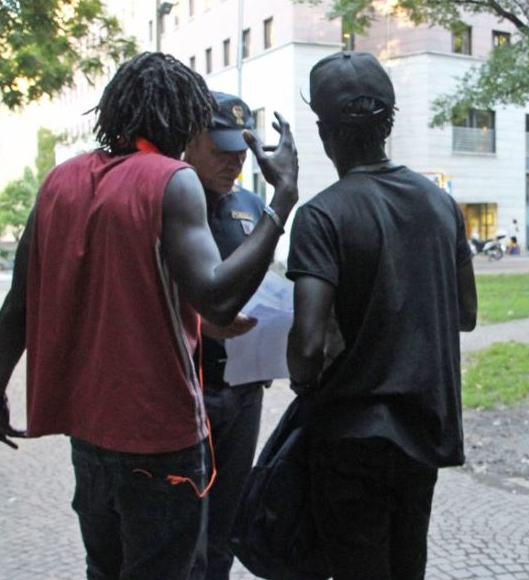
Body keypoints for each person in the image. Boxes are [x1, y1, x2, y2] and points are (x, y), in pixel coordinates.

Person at [0, 52, 298, 580]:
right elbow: (217, 298)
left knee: (104, 570)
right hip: (160, 439)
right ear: (181, 118)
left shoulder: (59, 181)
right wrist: (282, 203)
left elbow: (18, 307)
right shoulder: (172, 179)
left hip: (88, 434)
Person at [285, 51, 477, 580]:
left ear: (324, 133)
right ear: (388, 123)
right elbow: (465, 314)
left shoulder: (321, 216)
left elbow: (306, 349)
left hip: (349, 437)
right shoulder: (441, 205)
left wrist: (306, 379)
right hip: (423, 432)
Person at [183, 91, 271, 580]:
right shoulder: (170, 201)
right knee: (182, 526)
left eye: (241, 151)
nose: (234, 162)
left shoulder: (252, 206)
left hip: (244, 390)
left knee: (226, 523)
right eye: (220, 149)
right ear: (190, 141)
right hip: (188, 389)